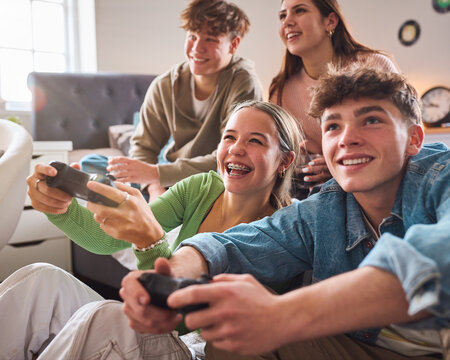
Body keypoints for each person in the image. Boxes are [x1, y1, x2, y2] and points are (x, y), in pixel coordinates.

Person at [117, 67, 449, 359]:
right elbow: (237, 244)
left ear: (414, 138)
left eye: (372, 120)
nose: (347, 138)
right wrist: (169, 275)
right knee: (232, 340)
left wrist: (283, 314)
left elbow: (436, 259)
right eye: (333, 126)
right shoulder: (326, 207)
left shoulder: (440, 176)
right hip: (364, 348)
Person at [1, 100, 301, 359]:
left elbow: (181, 318)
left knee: (106, 316)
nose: (236, 149)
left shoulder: (287, 230)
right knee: (41, 279)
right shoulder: (201, 187)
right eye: (229, 137)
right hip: (160, 330)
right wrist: (62, 208)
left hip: (201, 349)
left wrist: (151, 244)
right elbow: (105, 240)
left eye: (255, 141)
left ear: (284, 160)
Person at [82, 0, 263, 201]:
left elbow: (231, 156)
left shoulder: (244, 84)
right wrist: (154, 188)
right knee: (90, 163)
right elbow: (143, 147)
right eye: (192, 36)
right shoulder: (165, 84)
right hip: (166, 175)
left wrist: (156, 175)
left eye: (210, 39)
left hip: (211, 178)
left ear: (234, 44)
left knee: (222, 185)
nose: (197, 48)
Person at [269, 0, 400, 199]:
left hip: (380, 184)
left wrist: (340, 165)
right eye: (282, 15)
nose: (287, 21)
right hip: (317, 196)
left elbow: (405, 135)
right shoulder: (281, 91)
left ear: (330, 21)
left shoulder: (376, 65)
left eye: (300, 11)